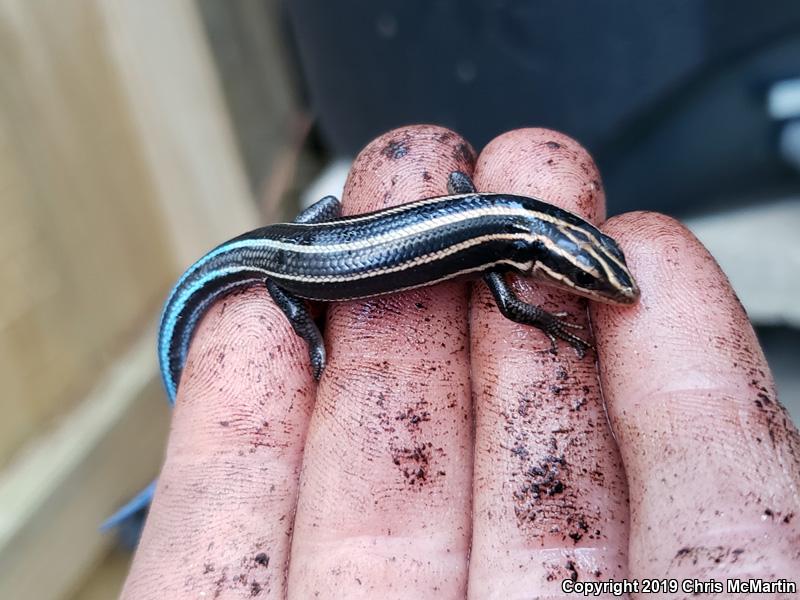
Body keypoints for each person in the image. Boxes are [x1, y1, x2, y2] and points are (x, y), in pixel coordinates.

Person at [120, 126, 800, 598]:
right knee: (291, 310)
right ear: (541, 255)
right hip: (291, 268)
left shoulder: (483, 215)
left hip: (302, 238)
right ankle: (300, 333)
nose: (601, 293)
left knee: (323, 216)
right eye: (587, 282)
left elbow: (454, 180)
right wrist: (550, 320)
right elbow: (510, 304)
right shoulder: (501, 260)